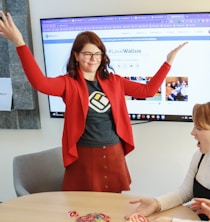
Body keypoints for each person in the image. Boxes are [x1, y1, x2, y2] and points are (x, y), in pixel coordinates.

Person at [0, 11, 187, 193]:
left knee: (112, 209)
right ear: (76, 55)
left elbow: (148, 91)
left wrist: (167, 63)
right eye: (87, 54)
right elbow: (39, 82)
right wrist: (19, 43)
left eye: (97, 54)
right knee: (83, 209)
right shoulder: (68, 83)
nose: (93, 59)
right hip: (84, 155)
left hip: (114, 153)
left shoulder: (115, 81)